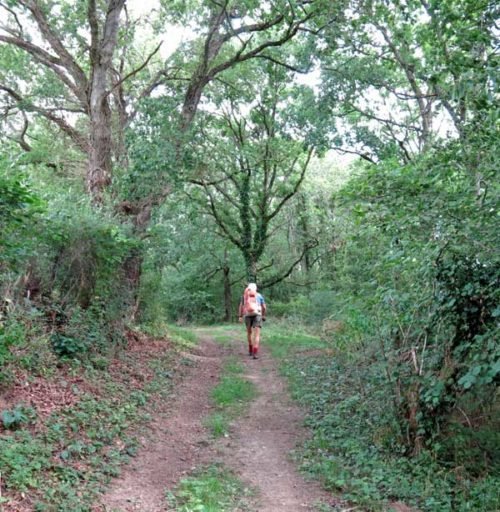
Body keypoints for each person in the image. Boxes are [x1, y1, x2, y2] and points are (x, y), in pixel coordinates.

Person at [238, 282, 266, 359]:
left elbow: (241, 307)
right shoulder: (259, 296)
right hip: (257, 315)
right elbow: (264, 307)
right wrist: (263, 315)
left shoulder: (244, 296)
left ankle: (250, 349)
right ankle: (255, 352)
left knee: (249, 332)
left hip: (247, 315)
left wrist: (240, 316)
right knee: (256, 334)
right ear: (256, 289)